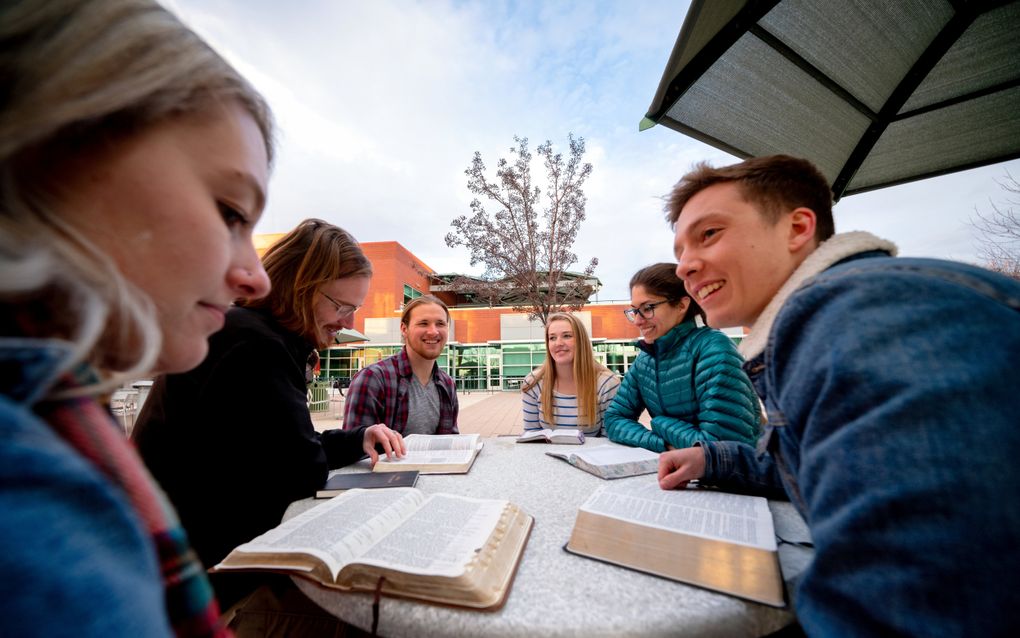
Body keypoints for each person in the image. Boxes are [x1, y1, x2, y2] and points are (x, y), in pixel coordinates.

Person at [0, 0, 276, 634]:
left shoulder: (60, 422)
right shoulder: (33, 498)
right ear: (51, 153)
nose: (256, 277)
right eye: (232, 212)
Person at [657, 155, 1020, 636]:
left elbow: (907, 602)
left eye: (709, 234)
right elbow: (837, 457)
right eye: (679, 250)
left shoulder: (865, 316)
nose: (684, 267)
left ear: (798, 228)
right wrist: (715, 461)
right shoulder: (829, 317)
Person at [132, 219, 405, 610]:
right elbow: (301, 471)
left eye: (355, 308)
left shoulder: (249, 334)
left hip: (182, 561)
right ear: (300, 288)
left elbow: (285, 449)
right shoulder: (254, 346)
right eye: (341, 306)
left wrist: (356, 438)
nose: (349, 322)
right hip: (196, 590)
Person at [604, 263, 760, 452]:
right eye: (635, 311)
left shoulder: (714, 350)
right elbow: (614, 420)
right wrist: (663, 444)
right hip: (682, 470)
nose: (638, 320)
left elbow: (724, 449)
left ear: (681, 305)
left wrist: (662, 424)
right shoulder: (645, 361)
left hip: (739, 479)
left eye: (648, 308)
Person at [343, 295, 459, 435]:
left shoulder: (447, 384)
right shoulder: (373, 379)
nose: (433, 331)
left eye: (440, 324)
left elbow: (450, 443)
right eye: (423, 323)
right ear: (404, 329)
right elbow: (354, 448)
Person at [521, 312, 620, 436]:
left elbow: (609, 440)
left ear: (581, 341)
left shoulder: (607, 383)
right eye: (552, 338)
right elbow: (531, 437)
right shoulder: (533, 382)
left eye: (567, 336)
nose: (558, 343)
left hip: (591, 455)